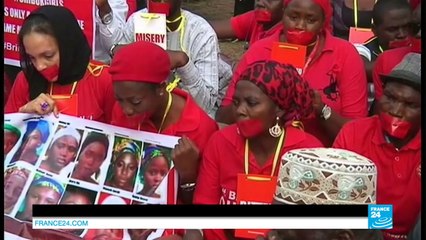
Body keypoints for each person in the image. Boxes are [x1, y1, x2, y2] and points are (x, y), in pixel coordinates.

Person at [194, 61, 323, 239]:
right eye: (236, 102)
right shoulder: (220, 142)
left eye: (252, 103)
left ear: (278, 108)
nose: (240, 111)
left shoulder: (308, 153)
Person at [216, 0, 368, 147]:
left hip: (322, 155)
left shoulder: (345, 54)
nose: (300, 25)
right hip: (261, 152)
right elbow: (223, 118)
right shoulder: (259, 51)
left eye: (310, 19)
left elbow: (357, 132)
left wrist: (321, 109)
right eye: (293, 17)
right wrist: (255, 99)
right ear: (283, 14)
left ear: (323, 23)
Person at [109, 41, 219, 204]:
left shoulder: (200, 128)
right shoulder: (122, 109)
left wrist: (188, 174)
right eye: (119, 100)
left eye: (136, 101)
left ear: (161, 88)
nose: (126, 110)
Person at [333, 53, 421, 240]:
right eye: (390, 97)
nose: (396, 111)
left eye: (410, 104)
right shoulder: (354, 133)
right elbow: (337, 198)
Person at [107, 0, 233, 117]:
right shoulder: (136, 21)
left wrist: (184, 63)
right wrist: (117, 51)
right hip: (142, 114)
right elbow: (121, 85)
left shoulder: (201, 33)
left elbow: (204, 106)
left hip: (184, 117)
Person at [4, 6, 115, 123]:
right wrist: (22, 117)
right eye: (32, 58)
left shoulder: (104, 79)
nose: (40, 66)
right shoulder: (25, 79)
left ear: (68, 46)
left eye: (48, 56)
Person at [354, 0, 413, 82]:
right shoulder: (362, 49)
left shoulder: (417, 45)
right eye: (393, 29)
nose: (402, 34)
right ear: (374, 30)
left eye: (407, 27)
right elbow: (360, 69)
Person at [210, 0, 284, 48]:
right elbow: (207, 28)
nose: (260, 2)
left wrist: (232, 65)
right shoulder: (255, 17)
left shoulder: (288, 35)